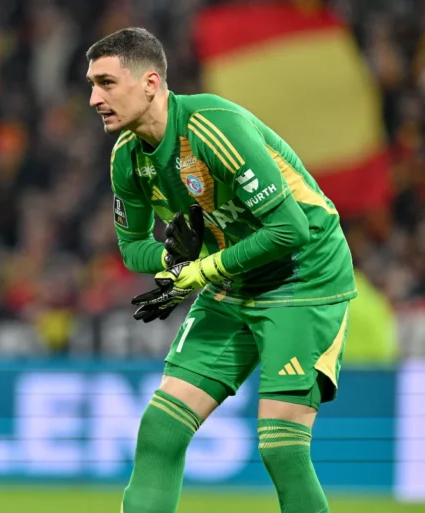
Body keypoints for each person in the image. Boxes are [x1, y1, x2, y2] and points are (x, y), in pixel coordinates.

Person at [86, 27, 356, 513]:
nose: (94, 99)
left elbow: (290, 228)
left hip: (304, 277)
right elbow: (132, 248)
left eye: (106, 83)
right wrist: (174, 260)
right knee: (161, 430)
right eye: (91, 85)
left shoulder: (212, 126)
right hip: (231, 283)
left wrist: (204, 268)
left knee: (281, 447)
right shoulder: (127, 159)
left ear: (150, 83)